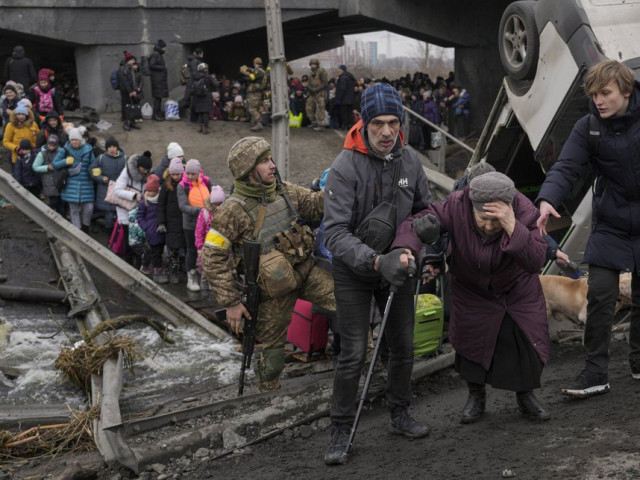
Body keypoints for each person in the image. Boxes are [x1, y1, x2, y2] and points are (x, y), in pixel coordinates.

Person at [322, 82, 433, 465]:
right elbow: (333, 234)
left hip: (398, 266)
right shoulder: (344, 167)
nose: (387, 132)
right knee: (352, 352)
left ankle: (399, 412)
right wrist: (374, 261)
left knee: (403, 346)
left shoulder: (411, 161)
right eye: (378, 124)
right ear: (364, 123)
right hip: (355, 270)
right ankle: (340, 428)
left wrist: (423, 237)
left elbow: (425, 209)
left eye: (393, 122)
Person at [396, 171, 551, 425]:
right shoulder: (457, 205)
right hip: (471, 288)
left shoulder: (523, 209)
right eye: (483, 220)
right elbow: (416, 222)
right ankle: (476, 396)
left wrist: (513, 226)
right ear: (472, 207)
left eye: (496, 221)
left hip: (515, 289)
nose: (490, 227)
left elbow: (536, 260)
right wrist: (406, 246)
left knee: (524, 343)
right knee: (470, 344)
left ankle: (526, 396)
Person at [536, 60, 640, 398]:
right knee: (600, 296)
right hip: (610, 223)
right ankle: (595, 372)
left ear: (626, 91)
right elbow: (567, 165)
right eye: (594, 94)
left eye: (605, 93)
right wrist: (549, 198)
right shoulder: (589, 126)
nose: (599, 100)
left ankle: (638, 361)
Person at [202, 136, 334, 392]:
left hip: (306, 272)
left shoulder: (286, 191)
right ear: (248, 170)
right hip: (272, 293)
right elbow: (212, 257)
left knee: (351, 304)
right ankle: (267, 397)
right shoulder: (231, 210)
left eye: (270, 158)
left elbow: (316, 205)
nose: (272, 165)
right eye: (264, 161)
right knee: (272, 358)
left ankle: (365, 369)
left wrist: (341, 185)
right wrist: (231, 302)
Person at [52, 128, 95, 232]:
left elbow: (94, 164)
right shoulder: (65, 150)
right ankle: (77, 231)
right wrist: (65, 161)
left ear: (81, 140)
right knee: (74, 210)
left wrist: (96, 170)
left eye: (76, 139)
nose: (74, 142)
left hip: (86, 184)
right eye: (72, 140)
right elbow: (54, 164)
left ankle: (85, 227)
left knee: (89, 208)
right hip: (71, 184)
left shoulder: (88, 150)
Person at [177, 159, 211, 291]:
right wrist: (202, 211)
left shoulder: (207, 182)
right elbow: (183, 206)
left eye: (193, 174)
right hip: (190, 224)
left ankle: (207, 278)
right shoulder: (182, 186)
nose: (190, 176)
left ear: (199, 173)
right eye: (188, 173)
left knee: (208, 250)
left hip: (207, 223)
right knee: (191, 250)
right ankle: (191, 277)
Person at [113, 151, 153, 262]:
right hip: (125, 209)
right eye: (143, 169)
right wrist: (134, 195)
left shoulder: (146, 175)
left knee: (137, 237)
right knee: (127, 236)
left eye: (147, 170)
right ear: (138, 166)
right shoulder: (127, 172)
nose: (145, 172)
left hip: (137, 211)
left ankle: (138, 260)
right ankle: (128, 260)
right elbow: (117, 190)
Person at [157, 157, 187, 284]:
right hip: (171, 222)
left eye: (178, 174)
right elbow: (161, 205)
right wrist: (162, 222)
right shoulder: (166, 186)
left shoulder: (186, 184)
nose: (175, 177)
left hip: (184, 220)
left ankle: (183, 268)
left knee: (184, 246)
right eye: (173, 174)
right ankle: (173, 270)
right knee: (173, 248)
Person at [89, 137, 126, 232]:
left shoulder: (124, 159)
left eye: (114, 146)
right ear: (106, 148)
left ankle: (111, 230)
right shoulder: (101, 158)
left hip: (118, 190)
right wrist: (101, 178)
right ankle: (110, 232)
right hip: (104, 190)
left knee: (113, 212)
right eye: (109, 147)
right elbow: (91, 170)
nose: (112, 149)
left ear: (117, 148)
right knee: (109, 212)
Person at [137, 174, 168, 283]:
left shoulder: (160, 201)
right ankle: (157, 270)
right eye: (147, 191)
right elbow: (139, 217)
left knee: (155, 250)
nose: (149, 193)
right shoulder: (144, 203)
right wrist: (146, 227)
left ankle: (146, 266)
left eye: (151, 191)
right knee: (155, 252)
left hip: (160, 231)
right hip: (151, 232)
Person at [194, 185, 225, 291]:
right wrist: (199, 247)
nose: (218, 207)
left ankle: (214, 289)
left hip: (221, 247)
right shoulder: (205, 213)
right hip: (206, 248)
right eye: (215, 204)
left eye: (220, 204)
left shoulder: (226, 214)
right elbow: (199, 232)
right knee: (205, 272)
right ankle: (204, 291)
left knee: (218, 271)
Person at [3, 102, 39, 176]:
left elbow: (38, 137)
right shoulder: (10, 125)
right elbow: (6, 142)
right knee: (18, 176)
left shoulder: (33, 124)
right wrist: (16, 148)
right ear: (15, 115)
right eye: (19, 114)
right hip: (18, 157)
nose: (21, 116)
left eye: (23, 114)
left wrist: (35, 148)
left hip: (32, 155)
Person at [32, 134, 65, 215]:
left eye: (54, 145)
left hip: (60, 181)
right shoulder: (42, 154)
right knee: (53, 202)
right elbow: (35, 167)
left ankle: (61, 219)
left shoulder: (61, 152)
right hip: (48, 181)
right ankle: (46, 217)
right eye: (50, 144)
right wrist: (47, 168)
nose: (51, 146)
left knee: (60, 203)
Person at [117, 51, 142, 131]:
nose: (134, 61)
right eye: (132, 60)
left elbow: (133, 81)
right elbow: (124, 82)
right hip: (125, 92)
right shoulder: (122, 69)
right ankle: (126, 123)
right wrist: (130, 91)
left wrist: (134, 90)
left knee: (132, 106)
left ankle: (132, 122)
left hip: (132, 91)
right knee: (127, 107)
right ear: (128, 60)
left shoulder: (130, 69)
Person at [239, 57, 265, 131]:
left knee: (252, 108)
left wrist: (245, 73)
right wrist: (249, 70)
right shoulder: (263, 71)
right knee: (256, 108)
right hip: (259, 92)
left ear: (255, 63)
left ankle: (259, 123)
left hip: (256, 93)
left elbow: (251, 78)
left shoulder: (258, 71)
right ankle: (255, 123)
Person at [178, 47, 204, 120]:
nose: (203, 55)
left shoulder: (192, 60)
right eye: (202, 53)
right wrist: (203, 74)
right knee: (187, 100)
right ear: (199, 54)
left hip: (191, 82)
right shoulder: (195, 61)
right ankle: (173, 111)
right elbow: (195, 74)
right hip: (192, 83)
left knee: (188, 99)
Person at [190, 63, 215, 134]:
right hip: (206, 96)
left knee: (200, 112)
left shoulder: (195, 76)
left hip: (197, 96)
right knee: (205, 113)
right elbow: (215, 84)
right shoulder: (207, 76)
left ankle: (200, 128)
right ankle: (205, 129)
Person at [305, 58, 329, 131]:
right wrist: (309, 88)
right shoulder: (310, 73)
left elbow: (325, 82)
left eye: (314, 64)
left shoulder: (321, 71)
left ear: (317, 64)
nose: (313, 66)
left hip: (320, 93)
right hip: (311, 93)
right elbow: (307, 82)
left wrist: (317, 89)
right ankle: (314, 122)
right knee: (309, 108)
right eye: (311, 64)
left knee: (320, 109)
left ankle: (321, 125)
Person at [148, 39, 169, 121]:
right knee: (157, 97)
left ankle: (158, 114)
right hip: (157, 80)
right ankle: (155, 115)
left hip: (159, 79)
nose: (165, 49)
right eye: (164, 47)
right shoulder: (155, 54)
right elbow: (151, 65)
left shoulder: (159, 54)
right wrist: (162, 68)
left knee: (159, 98)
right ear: (161, 47)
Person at [334, 64, 357, 130]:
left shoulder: (343, 77)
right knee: (349, 113)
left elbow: (342, 89)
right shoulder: (350, 77)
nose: (339, 71)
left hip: (344, 99)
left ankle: (345, 126)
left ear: (342, 70)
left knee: (344, 113)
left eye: (339, 69)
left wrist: (338, 98)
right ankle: (350, 125)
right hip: (351, 99)